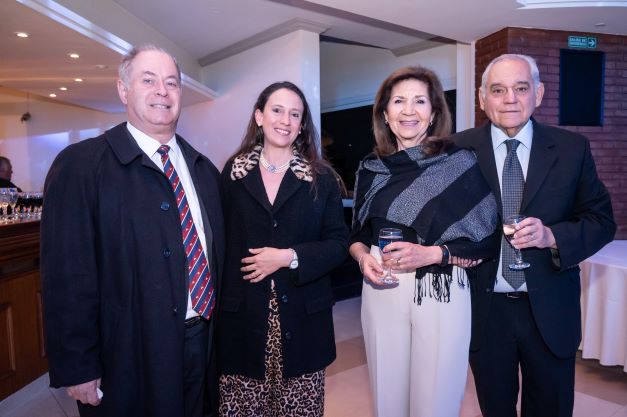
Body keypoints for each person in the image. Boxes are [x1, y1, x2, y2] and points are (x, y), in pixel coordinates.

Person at [41, 44, 224, 417]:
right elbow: (67, 275)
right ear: (123, 90)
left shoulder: (204, 170)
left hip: (201, 342)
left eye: (171, 82)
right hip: (125, 355)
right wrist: (78, 364)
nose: (162, 91)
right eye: (148, 80)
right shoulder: (81, 166)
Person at [453, 53, 616, 417]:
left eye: (521, 88)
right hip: (484, 311)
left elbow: (602, 221)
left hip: (551, 309)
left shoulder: (572, 149)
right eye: (498, 90)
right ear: (482, 98)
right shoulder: (456, 150)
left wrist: (551, 236)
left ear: (538, 94)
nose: (510, 99)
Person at [349, 66, 499, 417]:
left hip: (440, 286)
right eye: (398, 101)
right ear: (385, 114)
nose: (408, 110)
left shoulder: (460, 162)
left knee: (437, 393)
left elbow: (487, 239)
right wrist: (362, 258)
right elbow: (357, 235)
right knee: (387, 389)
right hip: (382, 283)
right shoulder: (370, 169)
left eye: (419, 101)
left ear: (433, 114)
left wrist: (432, 253)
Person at [217, 81, 348, 416]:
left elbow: (338, 244)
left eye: (295, 114)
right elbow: (218, 241)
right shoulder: (232, 173)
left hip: (305, 322)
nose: (285, 120)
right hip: (242, 321)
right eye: (277, 110)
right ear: (259, 116)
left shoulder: (322, 178)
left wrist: (289, 257)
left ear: (302, 125)